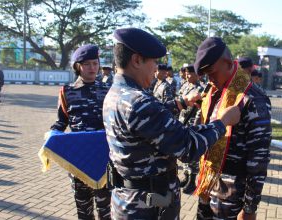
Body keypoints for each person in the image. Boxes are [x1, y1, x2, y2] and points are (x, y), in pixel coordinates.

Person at [102, 28, 240, 219]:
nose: (157, 69)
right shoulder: (139, 102)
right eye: (154, 62)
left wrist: (181, 103)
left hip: (129, 200)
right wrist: (222, 122)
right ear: (136, 60)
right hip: (148, 208)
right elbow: (188, 146)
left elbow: (147, 123)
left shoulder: (116, 93)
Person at [193, 37, 271, 220]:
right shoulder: (214, 92)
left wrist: (250, 207)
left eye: (212, 73)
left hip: (233, 193)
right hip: (208, 183)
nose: (209, 79)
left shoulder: (252, 98)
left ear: (228, 63)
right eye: (206, 75)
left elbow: (258, 159)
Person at [49, 44, 111, 220]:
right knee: (83, 210)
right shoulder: (67, 92)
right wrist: (51, 137)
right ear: (78, 66)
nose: (92, 68)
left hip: (103, 159)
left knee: (106, 209)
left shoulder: (108, 90)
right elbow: (61, 122)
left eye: (95, 63)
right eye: (87, 64)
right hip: (79, 160)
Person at [177, 64, 204, 194]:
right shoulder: (185, 86)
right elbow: (179, 102)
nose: (187, 75)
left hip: (192, 124)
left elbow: (200, 111)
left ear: (197, 75)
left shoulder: (200, 89)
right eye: (186, 73)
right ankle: (186, 176)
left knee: (193, 153)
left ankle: (192, 181)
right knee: (184, 152)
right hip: (182, 123)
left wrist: (195, 125)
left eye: (190, 73)